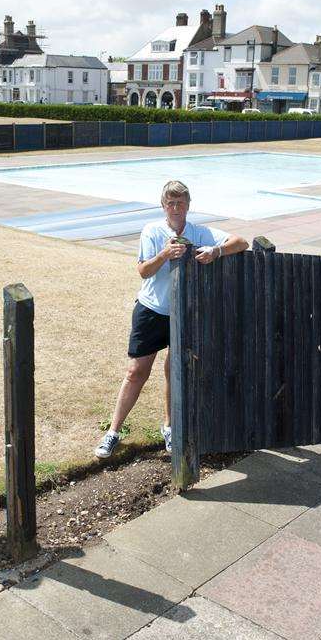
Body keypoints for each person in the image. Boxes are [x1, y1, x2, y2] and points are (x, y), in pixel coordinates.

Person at [95, 180, 248, 459]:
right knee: (136, 372)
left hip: (183, 313)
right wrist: (165, 253)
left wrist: (215, 251)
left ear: (188, 205)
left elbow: (242, 242)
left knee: (173, 371)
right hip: (151, 310)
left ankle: (168, 427)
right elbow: (143, 271)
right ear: (163, 206)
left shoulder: (199, 231)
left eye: (181, 203)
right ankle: (113, 432)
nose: (176, 208)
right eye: (170, 203)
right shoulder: (152, 231)